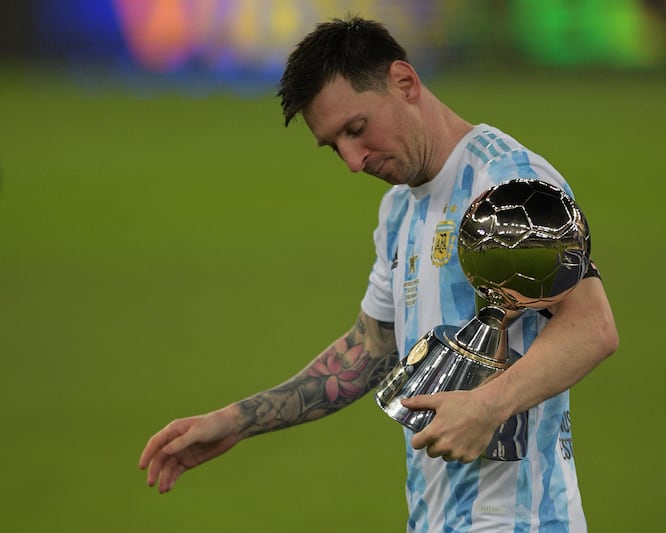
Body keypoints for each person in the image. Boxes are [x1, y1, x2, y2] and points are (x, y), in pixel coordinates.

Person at [139, 16, 618, 532]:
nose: (351, 160)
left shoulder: (506, 184)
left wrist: (485, 407)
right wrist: (235, 421)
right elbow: (368, 351)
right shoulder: (398, 210)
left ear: (404, 83)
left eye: (356, 129)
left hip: (518, 520)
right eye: (334, 145)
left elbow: (591, 327)